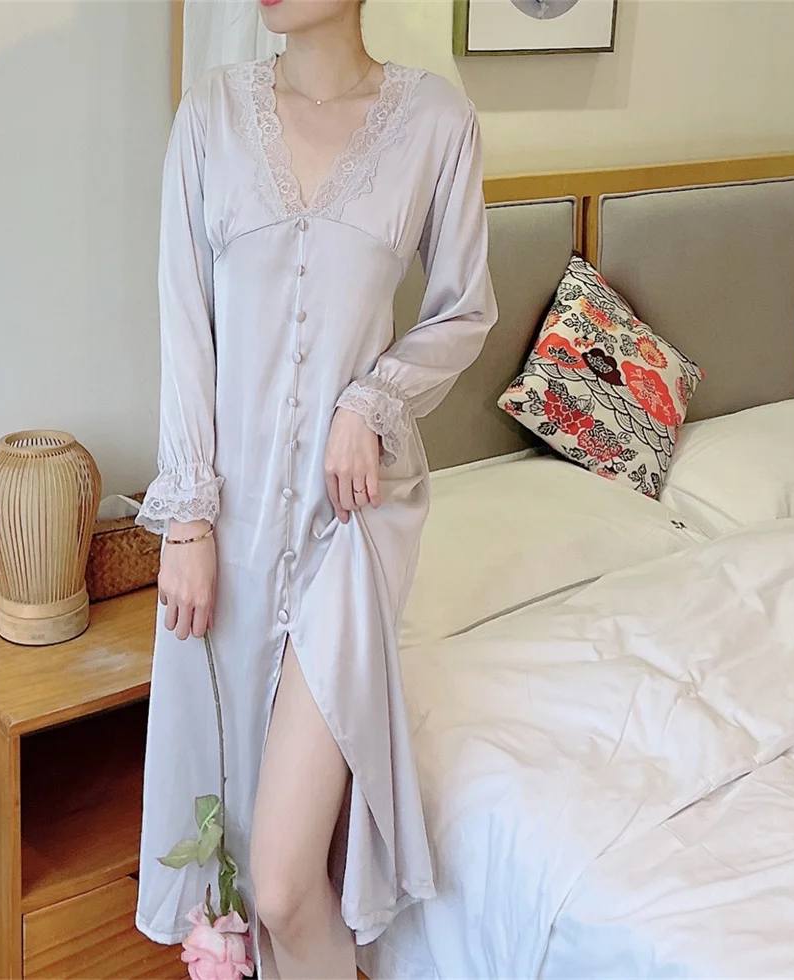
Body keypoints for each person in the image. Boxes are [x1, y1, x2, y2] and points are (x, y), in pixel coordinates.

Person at [135, 1, 497, 976]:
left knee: (286, 881)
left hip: (351, 517)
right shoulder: (210, 116)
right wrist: (188, 518)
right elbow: (185, 329)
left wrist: (373, 399)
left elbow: (463, 310)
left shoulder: (436, 124)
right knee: (237, 854)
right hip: (233, 521)